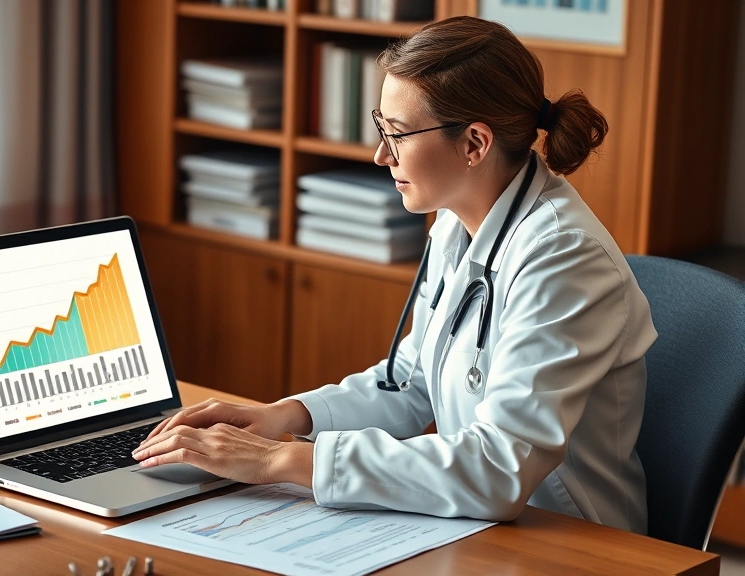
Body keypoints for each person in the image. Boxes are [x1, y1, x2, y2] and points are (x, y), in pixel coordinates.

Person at [132, 15, 657, 534]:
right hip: (477, 522)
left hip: (573, 541)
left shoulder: (563, 255)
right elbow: (411, 384)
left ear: (475, 144)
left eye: (398, 134)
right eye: (382, 128)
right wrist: (283, 417)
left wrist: (281, 461)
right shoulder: (456, 222)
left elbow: (499, 469)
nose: (381, 155)